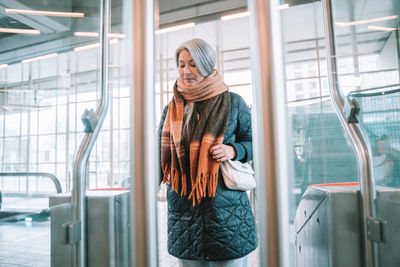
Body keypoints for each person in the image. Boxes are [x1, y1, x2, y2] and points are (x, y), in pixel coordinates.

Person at [158, 38, 257, 267]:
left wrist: (234, 150)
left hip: (226, 213)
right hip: (185, 215)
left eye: (193, 64)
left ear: (206, 64)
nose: (186, 71)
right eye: (181, 64)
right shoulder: (171, 109)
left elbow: (255, 142)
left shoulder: (233, 102)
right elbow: (159, 157)